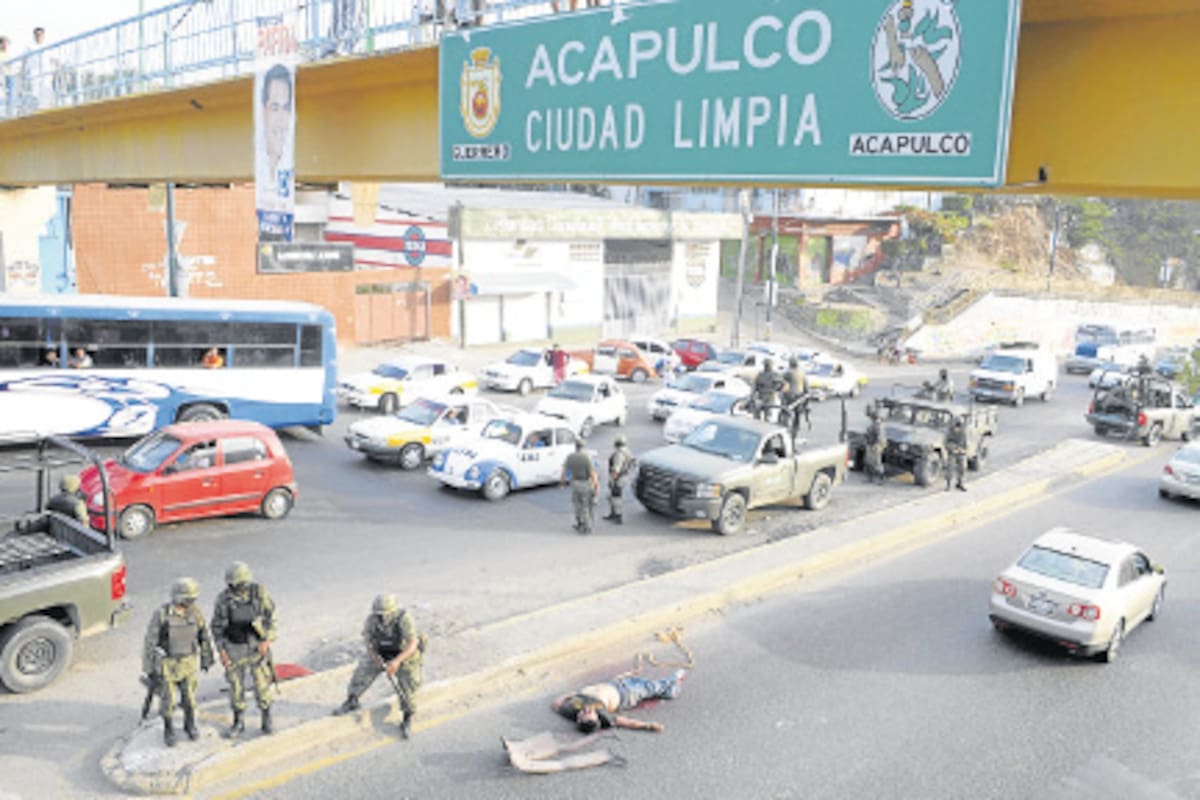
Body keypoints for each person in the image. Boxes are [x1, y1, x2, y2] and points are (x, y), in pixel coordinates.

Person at [333, 594, 423, 739]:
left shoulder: (404, 619)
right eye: (378, 614)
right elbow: (368, 641)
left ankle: (407, 716)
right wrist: (375, 658)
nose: (381, 617)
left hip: (404, 654)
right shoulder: (372, 620)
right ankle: (352, 700)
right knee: (363, 671)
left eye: (384, 614)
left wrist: (396, 662)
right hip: (382, 653)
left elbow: (413, 643)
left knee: (409, 683)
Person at [142, 578, 214, 747]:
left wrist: (207, 658)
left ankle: (190, 724)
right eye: (188, 599)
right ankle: (169, 728)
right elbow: (150, 642)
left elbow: (203, 636)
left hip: (188, 663)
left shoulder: (195, 613)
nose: (191, 602)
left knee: (189, 698)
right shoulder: (162, 614)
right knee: (168, 700)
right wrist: (149, 668)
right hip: (168, 664)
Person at [211, 561, 277, 738]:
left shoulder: (259, 593)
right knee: (235, 687)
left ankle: (266, 718)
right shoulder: (223, 599)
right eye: (234, 585)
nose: (238, 589)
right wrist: (222, 651)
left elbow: (272, 617)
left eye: (241, 585)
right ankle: (238, 721)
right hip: (234, 647)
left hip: (256, 646)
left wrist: (267, 640)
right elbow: (217, 627)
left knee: (262, 685)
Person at [551, 669, 687, 734]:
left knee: (646, 684)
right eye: (589, 713)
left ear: (578, 719)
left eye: (583, 714)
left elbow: (556, 705)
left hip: (616, 684)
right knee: (653, 687)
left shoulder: (571, 711)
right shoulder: (604, 716)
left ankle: (669, 691)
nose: (586, 710)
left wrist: (570, 694)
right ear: (597, 718)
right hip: (627, 694)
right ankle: (674, 680)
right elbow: (626, 722)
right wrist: (648, 726)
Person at [256, 63, 294, 232]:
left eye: (286, 109)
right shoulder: (258, 159)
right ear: (264, 111)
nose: (281, 120)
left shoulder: (290, 162)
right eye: (275, 108)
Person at [560, 438, 598, 534]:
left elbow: (565, 471)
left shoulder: (570, 457)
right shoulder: (586, 458)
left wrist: (562, 483)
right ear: (583, 446)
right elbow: (592, 473)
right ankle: (587, 525)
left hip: (575, 483)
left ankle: (579, 522)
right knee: (585, 505)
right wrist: (596, 485)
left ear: (575, 446)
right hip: (585, 483)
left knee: (576, 504)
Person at [603, 435, 635, 525]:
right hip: (624, 476)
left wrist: (612, 480)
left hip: (618, 478)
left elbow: (616, 469)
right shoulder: (626, 451)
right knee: (610, 496)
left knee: (616, 497)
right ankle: (613, 513)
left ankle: (618, 516)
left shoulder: (619, 454)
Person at [781, 357, 810, 438]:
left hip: (789, 397)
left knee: (786, 414)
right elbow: (806, 387)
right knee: (797, 416)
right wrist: (806, 399)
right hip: (799, 398)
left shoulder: (788, 373)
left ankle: (785, 429)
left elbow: (781, 383)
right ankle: (795, 432)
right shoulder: (802, 373)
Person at [864, 407, 888, 485]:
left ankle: (881, 479)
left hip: (875, 445)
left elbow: (880, 436)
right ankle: (870, 478)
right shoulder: (874, 424)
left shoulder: (878, 425)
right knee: (869, 462)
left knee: (877, 463)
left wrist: (877, 445)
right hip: (871, 444)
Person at [945, 416, 968, 492]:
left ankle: (960, 483)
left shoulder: (963, 433)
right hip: (952, 452)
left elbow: (965, 443)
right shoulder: (949, 432)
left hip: (960, 452)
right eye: (956, 427)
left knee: (962, 468)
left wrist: (964, 450)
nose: (957, 429)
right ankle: (948, 484)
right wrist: (952, 449)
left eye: (959, 427)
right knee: (950, 468)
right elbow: (946, 443)